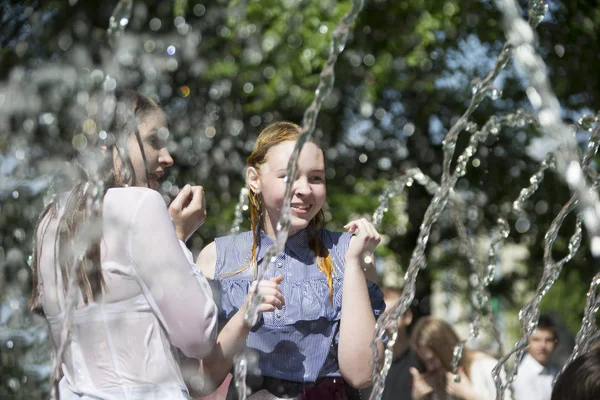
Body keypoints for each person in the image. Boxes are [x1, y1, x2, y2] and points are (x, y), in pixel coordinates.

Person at [29, 89, 218, 399]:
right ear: (107, 145)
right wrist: (178, 237)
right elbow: (197, 336)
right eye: (154, 141)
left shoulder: (50, 220)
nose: (168, 158)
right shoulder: (141, 204)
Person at [195, 121, 386, 399]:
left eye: (316, 178)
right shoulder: (217, 258)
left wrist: (354, 264)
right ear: (254, 178)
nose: (304, 189)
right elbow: (201, 380)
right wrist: (244, 316)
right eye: (289, 176)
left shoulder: (352, 252)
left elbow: (362, 374)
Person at [409, 317, 510, 400]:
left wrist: (470, 396)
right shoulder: (438, 380)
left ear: (446, 349)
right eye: (425, 361)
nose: (430, 367)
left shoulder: (485, 367)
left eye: (433, 359)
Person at [379, 287, 427, 400]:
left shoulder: (421, 358)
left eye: (393, 314)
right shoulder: (375, 362)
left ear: (408, 316)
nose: (387, 321)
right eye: (382, 316)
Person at [513, 316, 558, 400]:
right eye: (536, 340)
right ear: (526, 344)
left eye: (548, 340)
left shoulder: (554, 371)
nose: (543, 345)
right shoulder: (522, 376)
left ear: (556, 343)